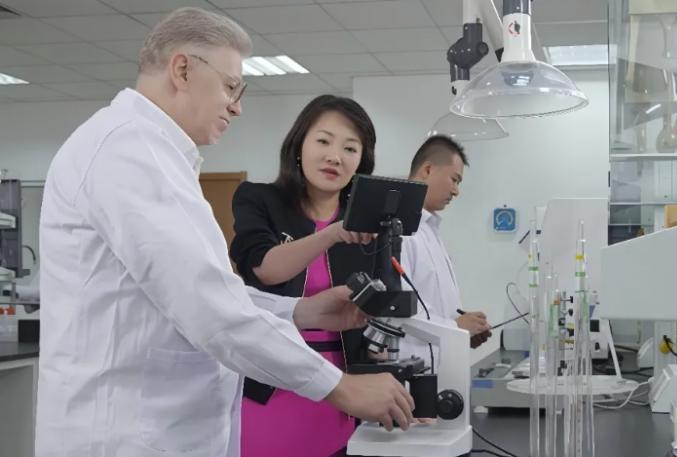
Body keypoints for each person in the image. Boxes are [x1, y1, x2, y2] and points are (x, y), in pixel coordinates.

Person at [35, 8, 413, 457]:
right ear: (182, 70)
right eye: (231, 87)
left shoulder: (156, 155)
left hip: (160, 428)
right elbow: (208, 306)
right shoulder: (127, 150)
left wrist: (299, 311)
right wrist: (339, 387)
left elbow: (206, 291)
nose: (237, 105)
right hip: (126, 433)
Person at [229, 94, 378, 457]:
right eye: (324, 141)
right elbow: (264, 269)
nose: (335, 156)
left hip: (341, 389)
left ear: (361, 161)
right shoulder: (259, 199)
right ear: (299, 146)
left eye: (350, 148)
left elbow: (379, 306)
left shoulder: (367, 225)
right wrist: (331, 234)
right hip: (271, 386)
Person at [399, 135, 493, 366]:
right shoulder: (399, 229)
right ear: (427, 170)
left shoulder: (430, 229)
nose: (456, 191)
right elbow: (399, 310)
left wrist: (463, 330)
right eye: (454, 179)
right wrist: (455, 327)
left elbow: (431, 302)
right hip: (414, 367)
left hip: (442, 363)